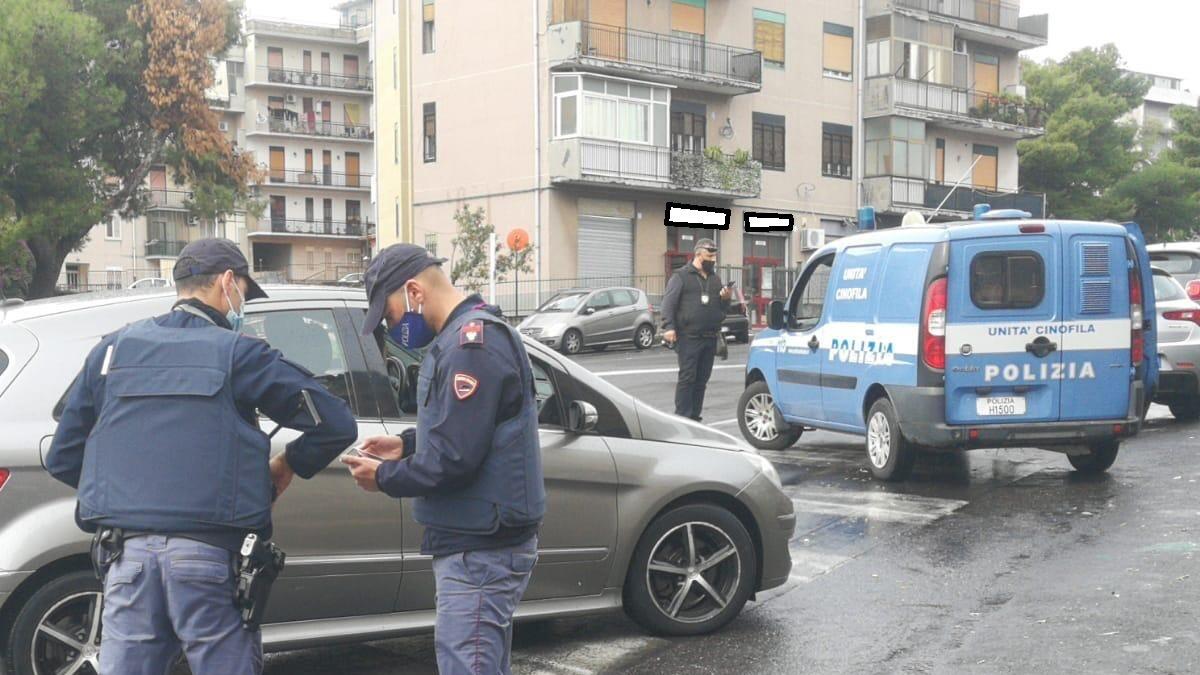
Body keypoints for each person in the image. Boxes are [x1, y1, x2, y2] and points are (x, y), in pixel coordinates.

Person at [45, 239, 358, 675]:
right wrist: (285, 466)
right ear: (228, 282)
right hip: (209, 558)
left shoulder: (111, 352)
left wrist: (128, 491)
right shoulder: (239, 354)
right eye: (245, 292)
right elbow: (336, 423)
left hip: (127, 561)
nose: (242, 304)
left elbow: (62, 457)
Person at [342, 243, 544, 675]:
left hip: (481, 548)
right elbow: (468, 430)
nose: (393, 328)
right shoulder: (462, 338)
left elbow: (454, 458)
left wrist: (385, 477)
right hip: (478, 541)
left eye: (391, 315)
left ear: (414, 291)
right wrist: (407, 445)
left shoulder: (472, 345)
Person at [660, 237, 731, 421]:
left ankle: (695, 416)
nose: (713, 260)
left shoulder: (715, 279)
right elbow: (668, 303)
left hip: (709, 337)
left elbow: (722, 310)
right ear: (698, 254)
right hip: (688, 337)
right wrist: (668, 326)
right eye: (709, 256)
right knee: (687, 378)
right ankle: (682, 416)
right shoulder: (681, 276)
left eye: (715, 257)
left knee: (702, 380)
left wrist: (726, 299)